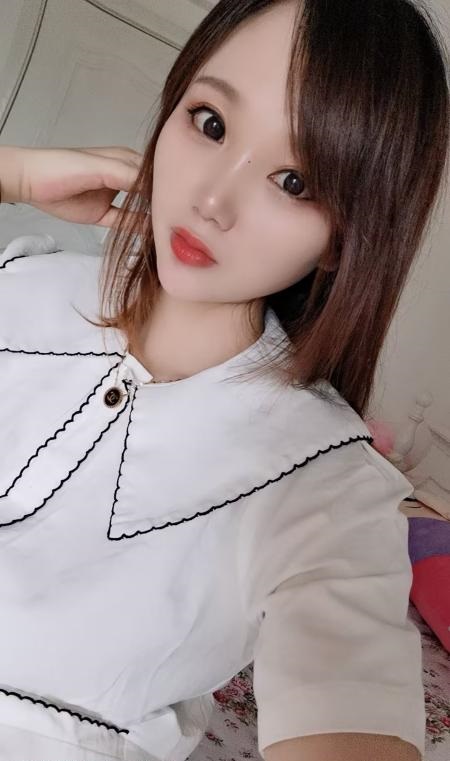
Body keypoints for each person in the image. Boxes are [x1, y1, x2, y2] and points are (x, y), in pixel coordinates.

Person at [0, 0, 448, 759]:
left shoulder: (327, 493)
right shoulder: (24, 283)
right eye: (209, 123)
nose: (211, 200)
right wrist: (11, 173)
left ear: (344, 238)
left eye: (294, 180)